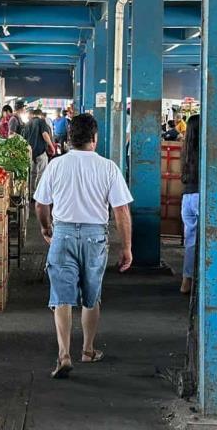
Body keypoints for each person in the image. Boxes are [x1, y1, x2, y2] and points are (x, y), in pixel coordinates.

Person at [33, 113, 134, 379]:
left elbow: (41, 204)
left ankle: (64, 354)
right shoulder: (108, 167)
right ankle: (87, 350)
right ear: (95, 138)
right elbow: (121, 211)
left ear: (68, 139)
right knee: (92, 296)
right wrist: (127, 247)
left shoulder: (56, 166)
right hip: (95, 237)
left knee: (62, 297)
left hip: (63, 233)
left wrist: (45, 227)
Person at [179, 114, 200, 295]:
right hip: (203, 197)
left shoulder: (186, 150)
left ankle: (186, 281)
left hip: (188, 198)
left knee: (191, 241)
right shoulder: (206, 150)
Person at [22, 109, 55, 196]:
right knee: (42, 173)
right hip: (40, 152)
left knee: (32, 174)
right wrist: (51, 146)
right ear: (40, 115)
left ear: (32, 115)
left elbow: (23, 140)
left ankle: (32, 193)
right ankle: (39, 194)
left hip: (30, 154)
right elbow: (45, 134)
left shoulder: (27, 124)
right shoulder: (41, 121)